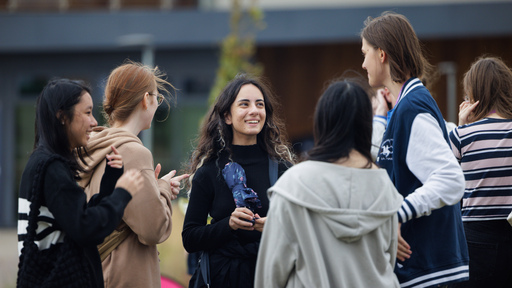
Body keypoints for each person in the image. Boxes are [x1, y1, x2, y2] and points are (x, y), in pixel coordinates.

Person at [254, 79, 403, 287]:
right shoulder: (384, 185)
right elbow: (387, 259)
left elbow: (271, 273)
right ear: (366, 125)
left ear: (322, 121)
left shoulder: (293, 185)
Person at [361, 12, 469, 287]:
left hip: (432, 271)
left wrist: (399, 213)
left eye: (366, 53)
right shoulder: (406, 106)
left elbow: (451, 179)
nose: (363, 63)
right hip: (425, 269)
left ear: (382, 54)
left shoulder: (412, 108)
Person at [17, 79, 142, 288]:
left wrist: (111, 180)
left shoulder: (43, 163)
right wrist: (122, 193)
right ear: (62, 116)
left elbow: (76, 221)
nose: (94, 122)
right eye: (87, 112)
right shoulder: (51, 168)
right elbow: (86, 229)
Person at [78, 61, 188, 288]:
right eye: (157, 98)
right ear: (145, 100)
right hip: (126, 276)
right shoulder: (132, 152)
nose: (157, 105)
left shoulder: (95, 145)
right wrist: (163, 189)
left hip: (99, 272)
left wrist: (155, 186)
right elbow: (153, 229)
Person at [182, 74, 295, 288]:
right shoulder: (209, 170)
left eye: (259, 104)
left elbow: (301, 230)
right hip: (221, 278)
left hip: (270, 277)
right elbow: (190, 237)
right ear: (227, 116)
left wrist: (275, 226)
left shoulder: (283, 168)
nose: (254, 110)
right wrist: (229, 225)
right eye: (244, 104)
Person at [449, 56, 512, 287]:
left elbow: (449, 184)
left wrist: (463, 126)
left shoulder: (460, 136)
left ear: (474, 94)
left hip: (476, 239)